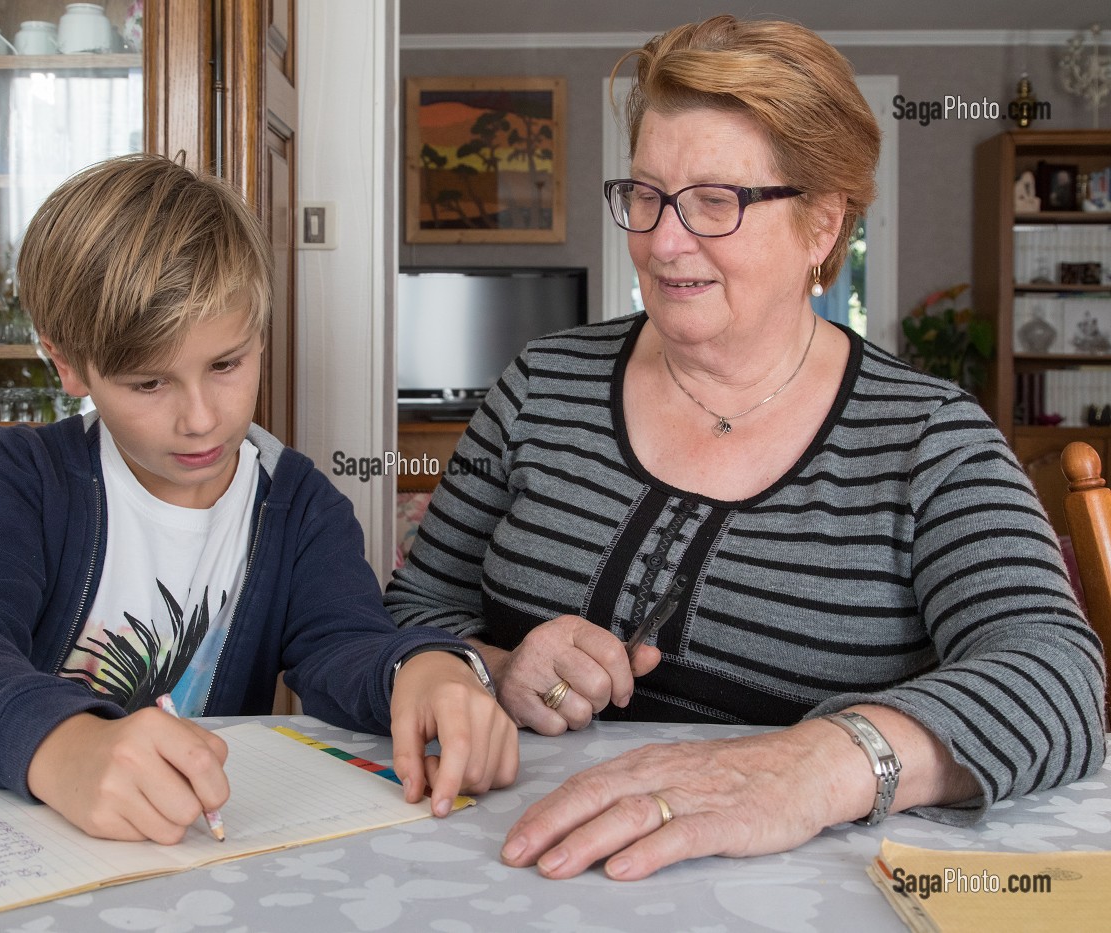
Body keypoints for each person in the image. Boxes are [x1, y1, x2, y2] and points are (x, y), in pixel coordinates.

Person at [385, 16, 1106, 881]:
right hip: (503, 869)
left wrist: (811, 765)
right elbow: (411, 612)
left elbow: (1056, 676)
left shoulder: (931, 441)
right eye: (646, 195)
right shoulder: (541, 385)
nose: (663, 240)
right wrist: (494, 666)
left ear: (822, 225)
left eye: (716, 200)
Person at [0, 154, 518, 844]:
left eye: (226, 364)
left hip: (188, 852)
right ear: (68, 365)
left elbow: (347, 645)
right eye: (149, 383)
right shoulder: (23, 479)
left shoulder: (299, 507)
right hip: (14, 837)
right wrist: (62, 745)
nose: (201, 418)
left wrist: (426, 665)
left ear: (260, 334)